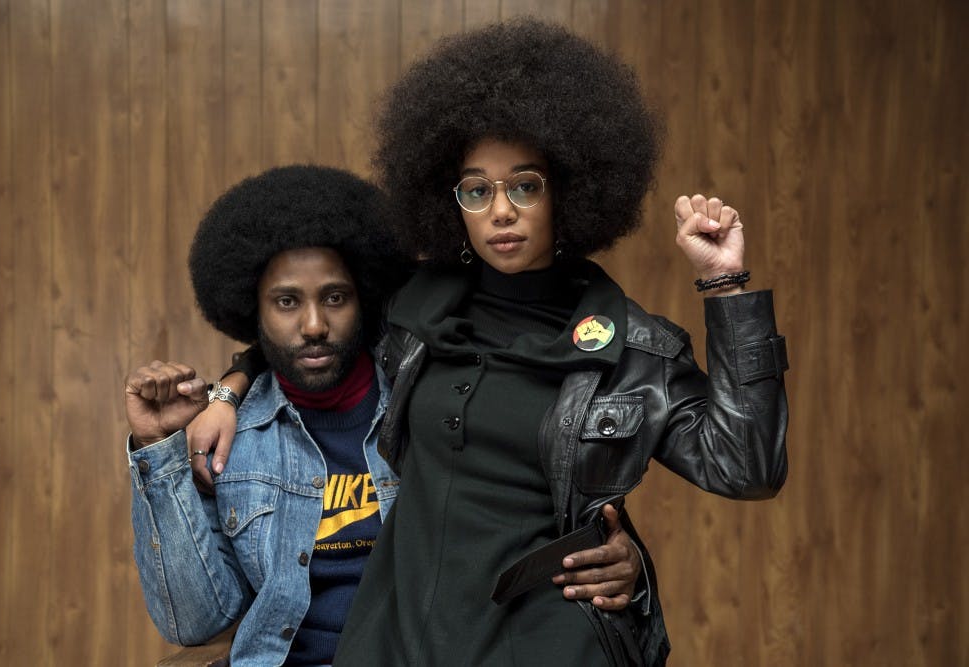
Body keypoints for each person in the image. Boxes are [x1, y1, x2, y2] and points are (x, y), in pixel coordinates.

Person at [197, 18, 789, 666]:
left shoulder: (634, 352)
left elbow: (746, 467)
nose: (500, 210)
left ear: (568, 191)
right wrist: (230, 389)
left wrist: (724, 284)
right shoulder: (410, 310)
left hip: (546, 642)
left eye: (524, 185)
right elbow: (313, 335)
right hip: (401, 637)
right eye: (477, 190)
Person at [125, 165, 643, 667]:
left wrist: (622, 555)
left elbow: (534, 504)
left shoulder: (431, 402)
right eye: (286, 302)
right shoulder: (230, 439)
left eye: (335, 297)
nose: (314, 325)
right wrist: (157, 449)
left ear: (366, 300)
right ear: (252, 312)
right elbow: (194, 621)